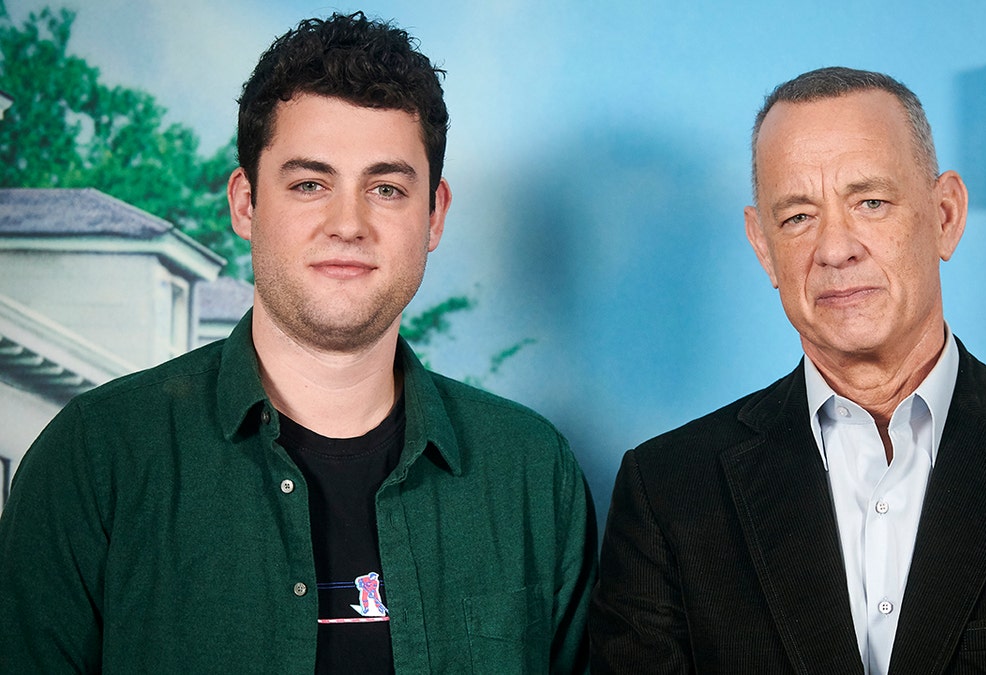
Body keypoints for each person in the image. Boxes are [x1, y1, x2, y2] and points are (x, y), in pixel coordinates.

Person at [0, 12, 596, 673]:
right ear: (245, 203)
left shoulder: (531, 474)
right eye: (310, 183)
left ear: (434, 215)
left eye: (387, 188)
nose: (348, 223)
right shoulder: (96, 459)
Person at [588, 67, 986, 673]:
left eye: (870, 202)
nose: (835, 247)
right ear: (763, 246)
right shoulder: (667, 491)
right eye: (798, 216)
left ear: (946, 215)